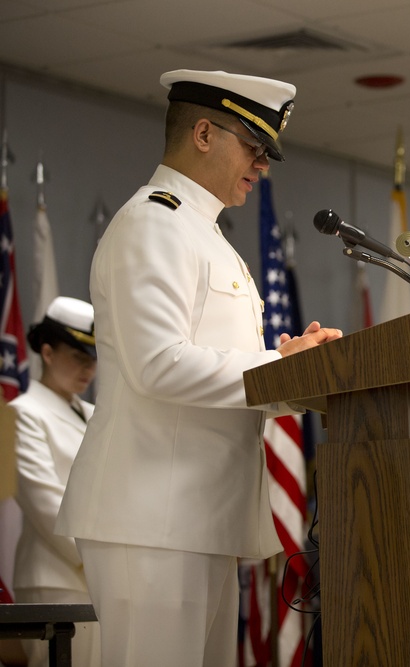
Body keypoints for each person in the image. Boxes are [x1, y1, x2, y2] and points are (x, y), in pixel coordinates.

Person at [54, 69, 342, 667]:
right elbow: (158, 365)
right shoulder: (152, 224)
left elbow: (228, 377)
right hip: (152, 514)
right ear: (204, 133)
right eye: (254, 147)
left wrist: (295, 378)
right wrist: (277, 364)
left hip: (198, 514)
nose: (263, 165)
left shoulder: (205, 236)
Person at [12, 297, 100, 667]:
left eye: (94, 360)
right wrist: (103, 561)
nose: (89, 369)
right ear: (47, 352)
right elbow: (46, 505)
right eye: (80, 357)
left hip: (99, 578)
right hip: (55, 579)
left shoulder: (95, 414)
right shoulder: (18, 415)